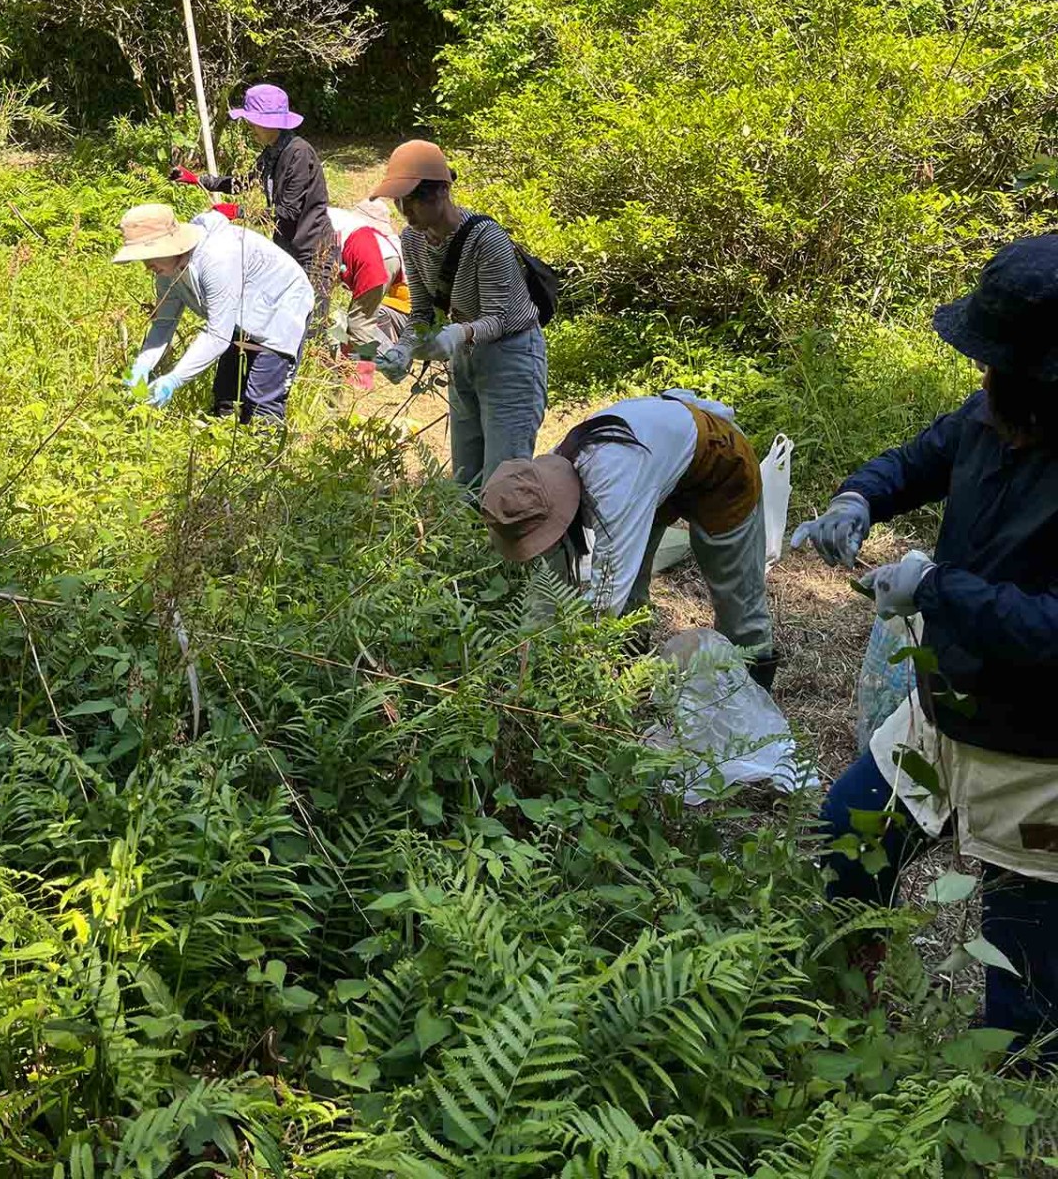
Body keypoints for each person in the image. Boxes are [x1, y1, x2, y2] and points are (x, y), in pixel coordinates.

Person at [793, 235, 1058, 1059]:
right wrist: (856, 497)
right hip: (942, 714)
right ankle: (845, 1013)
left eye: (1002, 371)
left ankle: (998, 1111)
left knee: (1026, 990)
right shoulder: (988, 418)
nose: (986, 386)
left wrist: (936, 588)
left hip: (1041, 760)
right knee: (846, 840)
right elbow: (920, 458)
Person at [480, 392, 776, 682]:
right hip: (657, 469)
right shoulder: (546, 478)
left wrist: (568, 668)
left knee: (737, 599)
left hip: (721, 465)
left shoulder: (612, 489)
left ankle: (754, 691)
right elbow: (552, 577)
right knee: (632, 590)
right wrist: (531, 644)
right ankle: (631, 677)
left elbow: (606, 598)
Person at [368, 139, 547, 486]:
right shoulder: (413, 240)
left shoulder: (487, 238)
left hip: (512, 356)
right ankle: (469, 540)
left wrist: (457, 333)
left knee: (503, 481)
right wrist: (404, 348)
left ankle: (505, 541)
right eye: (399, 202)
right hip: (464, 358)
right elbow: (421, 311)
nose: (405, 211)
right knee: (465, 481)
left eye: (413, 201)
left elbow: (499, 317)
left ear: (441, 193)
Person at [114, 202, 313, 424]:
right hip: (237, 317)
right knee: (226, 397)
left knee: (262, 402)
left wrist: (173, 380)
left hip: (281, 310)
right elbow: (164, 323)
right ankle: (222, 454)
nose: (146, 266)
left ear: (168, 245)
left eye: (149, 256)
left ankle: (265, 455)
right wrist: (142, 365)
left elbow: (217, 335)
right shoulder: (166, 271)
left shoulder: (216, 257)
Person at [170, 83, 337, 314]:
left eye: (252, 121)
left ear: (268, 122)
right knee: (283, 319)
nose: (249, 126)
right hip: (287, 247)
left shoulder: (298, 153)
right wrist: (199, 180)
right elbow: (246, 182)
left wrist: (237, 212)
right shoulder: (272, 152)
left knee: (311, 323)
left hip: (314, 251)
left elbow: (289, 212)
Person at [329, 201, 411, 357]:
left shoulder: (380, 247)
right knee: (357, 320)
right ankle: (348, 364)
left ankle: (390, 362)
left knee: (359, 323)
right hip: (402, 312)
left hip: (406, 315)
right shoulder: (385, 244)